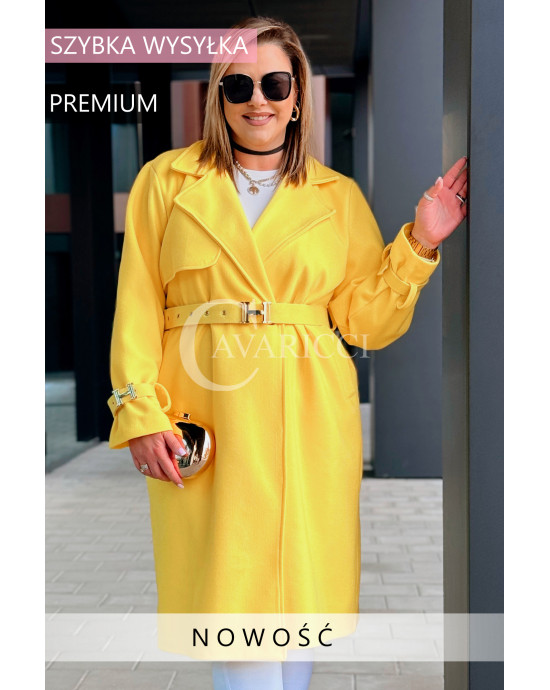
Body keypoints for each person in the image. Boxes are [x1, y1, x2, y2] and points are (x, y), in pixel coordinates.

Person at [106, 15, 468, 690]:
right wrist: (139, 412)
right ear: (218, 96)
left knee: (300, 600)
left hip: (308, 412)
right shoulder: (166, 182)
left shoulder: (336, 197)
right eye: (238, 85)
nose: (258, 100)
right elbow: (136, 306)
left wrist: (419, 243)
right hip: (206, 409)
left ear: (298, 95)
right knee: (231, 602)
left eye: (275, 84)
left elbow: (366, 323)